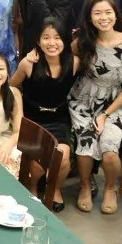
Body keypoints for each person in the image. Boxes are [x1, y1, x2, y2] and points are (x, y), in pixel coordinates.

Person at [68, 0, 122, 214]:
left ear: (116, 15)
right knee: (85, 147)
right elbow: (61, 56)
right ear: (90, 18)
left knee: (109, 150)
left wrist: (105, 114)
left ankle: (110, 188)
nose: (103, 17)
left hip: (114, 103)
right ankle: (85, 185)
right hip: (83, 100)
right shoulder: (82, 42)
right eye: (97, 13)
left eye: (108, 12)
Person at [11, 19, 76, 211]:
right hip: (33, 119)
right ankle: (31, 188)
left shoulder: (73, 63)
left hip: (59, 120)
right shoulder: (28, 63)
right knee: (37, 163)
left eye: (57, 37)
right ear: (38, 41)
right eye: (46, 37)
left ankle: (54, 188)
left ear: (65, 40)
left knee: (62, 157)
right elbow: (11, 87)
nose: (52, 43)